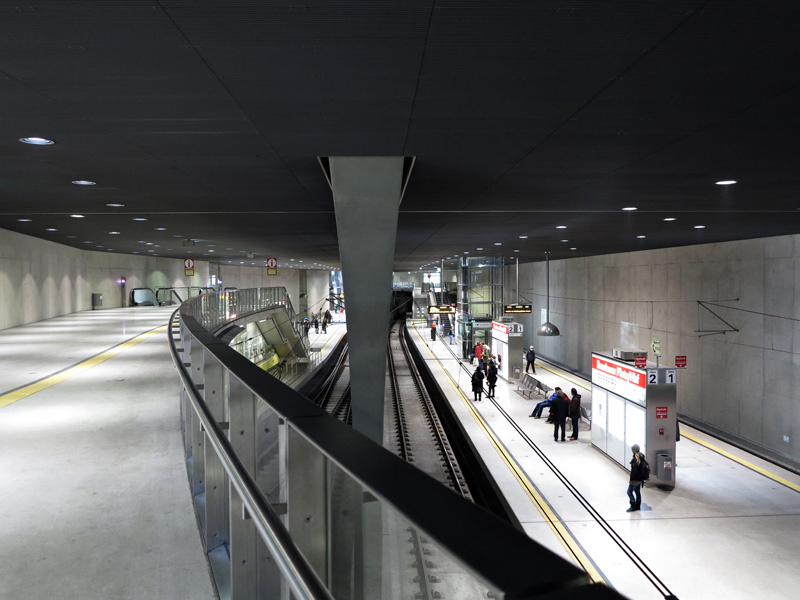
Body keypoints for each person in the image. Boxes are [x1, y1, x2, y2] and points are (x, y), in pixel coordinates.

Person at [627, 444, 646, 512]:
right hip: (640, 479)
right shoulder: (641, 456)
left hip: (635, 479)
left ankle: (633, 506)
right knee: (637, 491)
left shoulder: (635, 459)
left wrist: (631, 480)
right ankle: (638, 506)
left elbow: (634, 472)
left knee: (629, 492)